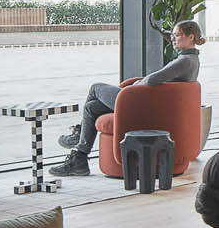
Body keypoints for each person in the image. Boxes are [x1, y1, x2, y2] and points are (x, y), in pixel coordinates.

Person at [50, 18, 203, 176]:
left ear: (190, 37)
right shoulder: (191, 60)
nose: (172, 38)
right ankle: (80, 159)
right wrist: (138, 82)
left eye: (177, 35)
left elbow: (152, 79)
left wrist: (135, 86)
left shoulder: (184, 61)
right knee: (92, 108)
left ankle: (78, 134)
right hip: (146, 103)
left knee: (95, 88)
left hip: (139, 105)